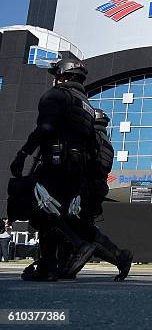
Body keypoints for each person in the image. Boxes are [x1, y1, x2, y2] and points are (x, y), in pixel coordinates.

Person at [10, 58, 97, 281]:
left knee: (39, 212)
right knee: (52, 216)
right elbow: (92, 145)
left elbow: (45, 127)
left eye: (55, 74)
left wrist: (23, 153)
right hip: (77, 169)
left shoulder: (57, 95)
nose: (53, 79)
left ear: (63, 75)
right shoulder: (87, 106)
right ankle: (48, 268)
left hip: (55, 162)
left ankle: (78, 245)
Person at [55, 108, 133, 281]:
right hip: (97, 188)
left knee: (69, 224)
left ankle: (65, 264)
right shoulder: (107, 143)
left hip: (85, 187)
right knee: (85, 228)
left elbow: (83, 162)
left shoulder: (92, 138)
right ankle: (119, 257)